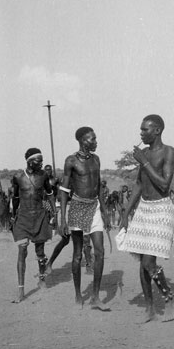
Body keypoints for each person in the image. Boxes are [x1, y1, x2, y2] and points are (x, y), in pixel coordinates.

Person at [119, 114, 174, 323]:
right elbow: (139, 184)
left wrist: (144, 162)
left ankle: (170, 298)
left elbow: (164, 185)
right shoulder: (144, 153)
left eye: (145, 130)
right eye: (141, 130)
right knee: (143, 264)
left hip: (161, 210)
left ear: (157, 130)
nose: (141, 133)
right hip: (144, 210)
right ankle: (150, 309)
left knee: (148, 262)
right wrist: (126, 213)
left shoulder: (168, 152)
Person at [57, 127, 110, 310]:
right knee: (78, 254)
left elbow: (98, 186)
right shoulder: (71, 161)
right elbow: (63, 190)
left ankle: (95, 297)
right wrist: (63, 220)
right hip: (77, 207)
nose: (95, 141)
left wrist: (104, 211)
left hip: (94, 206)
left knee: (100, 251)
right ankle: (78, 294)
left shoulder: (96, 159)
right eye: (92, 139)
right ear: (82, 140)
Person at [11, 148, 56, 303]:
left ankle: (42, 278)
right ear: (30, 161)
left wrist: (55, 213)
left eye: (42, 160)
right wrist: (12, 216)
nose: (41, 163)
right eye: (39, 160)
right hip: (23, 217)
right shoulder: (17, 176)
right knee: (22, 251)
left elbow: (50, 194)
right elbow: (15, 197)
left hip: (39, 215)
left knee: (40, 251)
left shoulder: (43, 176)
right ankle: (21, 290)